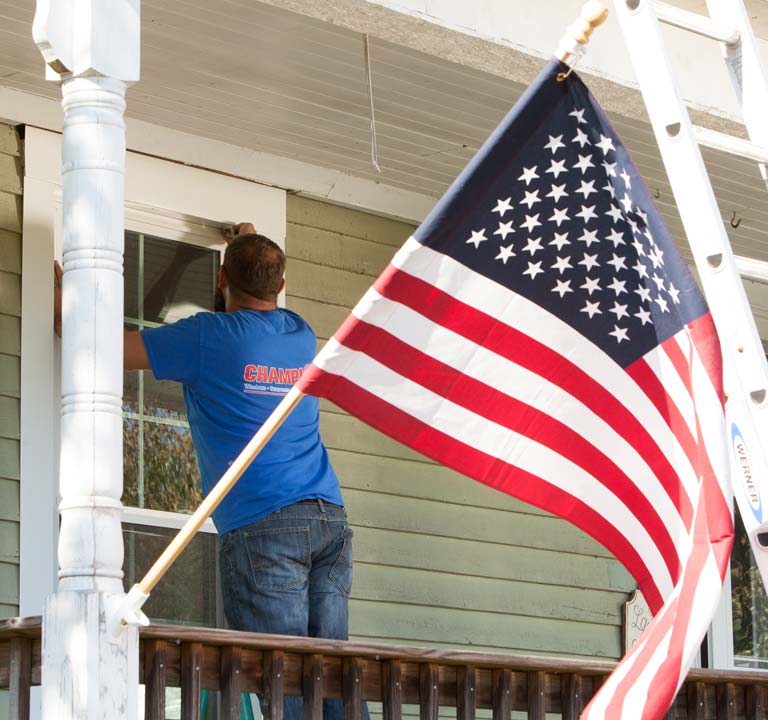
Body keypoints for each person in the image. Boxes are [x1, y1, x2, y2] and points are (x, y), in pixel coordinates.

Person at [55, 224, 356, 720]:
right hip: (328, 519)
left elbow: (105, 349)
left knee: (287, 687)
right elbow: (257, 284)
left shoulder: (205, 339)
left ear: (221, 279)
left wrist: (66, 308)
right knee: (333, 683)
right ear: (280, 286)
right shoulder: (299, 333)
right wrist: (252, 241)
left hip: (267, 526)